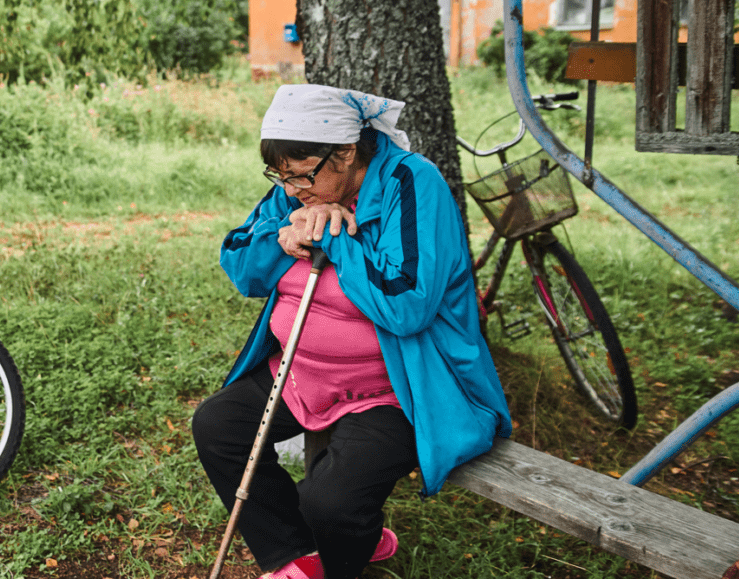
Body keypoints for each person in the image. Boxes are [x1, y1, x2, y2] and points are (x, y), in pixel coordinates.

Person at [192, 84, 512, 579]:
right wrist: (289, 229)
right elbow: (241, 266)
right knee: (217, 426)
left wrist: (335, 236)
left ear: (344, 152)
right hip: (299, 373)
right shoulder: (298, 188)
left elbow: (407, 304)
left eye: (301, 177)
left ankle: (349, 547)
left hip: (397, 386)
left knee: (330, 502)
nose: (291, 189)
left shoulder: (413, 183)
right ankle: (296, 556)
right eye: (281, 178)